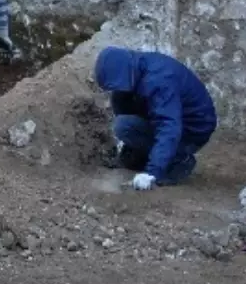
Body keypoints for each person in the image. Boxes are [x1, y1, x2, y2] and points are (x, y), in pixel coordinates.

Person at [92, 46, 217, 190]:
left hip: (192, 130)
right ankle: (144, 154)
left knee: (124, 126)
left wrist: (152, 172)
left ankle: (180, 159)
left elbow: (168, 126)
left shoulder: (158, 81)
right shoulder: (136, 68)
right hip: (174, 118)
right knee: (121, 101)